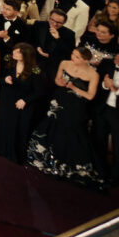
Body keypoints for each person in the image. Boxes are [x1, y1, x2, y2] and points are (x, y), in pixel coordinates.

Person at [26, 47, 106, 188]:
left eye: (77, 57)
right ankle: (47, 160)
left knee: (70, 131)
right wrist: (60, 83)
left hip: (76, 106)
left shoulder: (93, 74)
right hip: (59, 100)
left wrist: (74, 88)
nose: (73, 58)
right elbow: (57, 79)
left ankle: (67, 164)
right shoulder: (64, 63)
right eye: (73, 54)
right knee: (51, 127)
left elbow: (90, 96)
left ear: (86, 60)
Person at [0, 43, 43, 163]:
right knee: (5, 124)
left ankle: (14, 154)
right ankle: (2, 149)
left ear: (26, 55)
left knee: (19, 127)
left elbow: (39, 91)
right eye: (14, 51)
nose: (13, 53)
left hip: (23, 102)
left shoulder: (35, 70)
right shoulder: (10, 64)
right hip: (7, 99)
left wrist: (25, 100)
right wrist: (4, 79)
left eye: (18, 52)